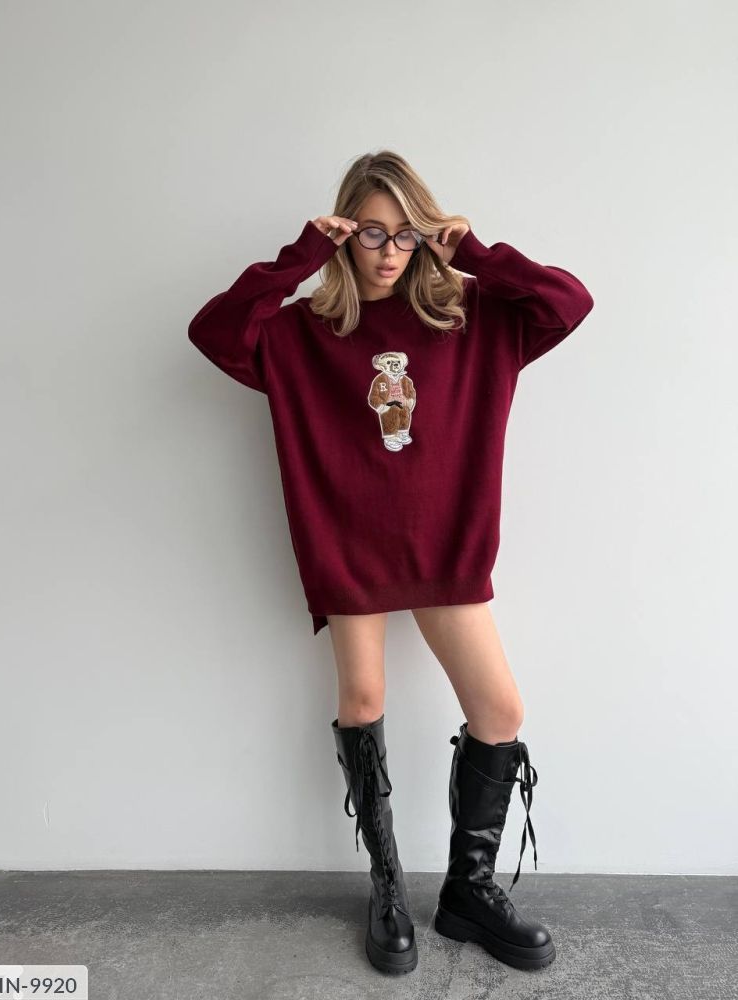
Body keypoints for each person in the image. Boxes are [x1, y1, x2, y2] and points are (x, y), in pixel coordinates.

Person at [187, 150, 594, 976]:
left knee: (500, 710)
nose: (388, 251)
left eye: (406, 234)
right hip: (349, 543)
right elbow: (214, 331)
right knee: (363, 698)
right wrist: (302, 254)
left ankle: (468, 891)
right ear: (345, 233)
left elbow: (568, 302)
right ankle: (386, 887)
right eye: (371, 232)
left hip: (446, 546)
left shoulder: (472, 317)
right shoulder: (304, 333)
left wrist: (473, 253)